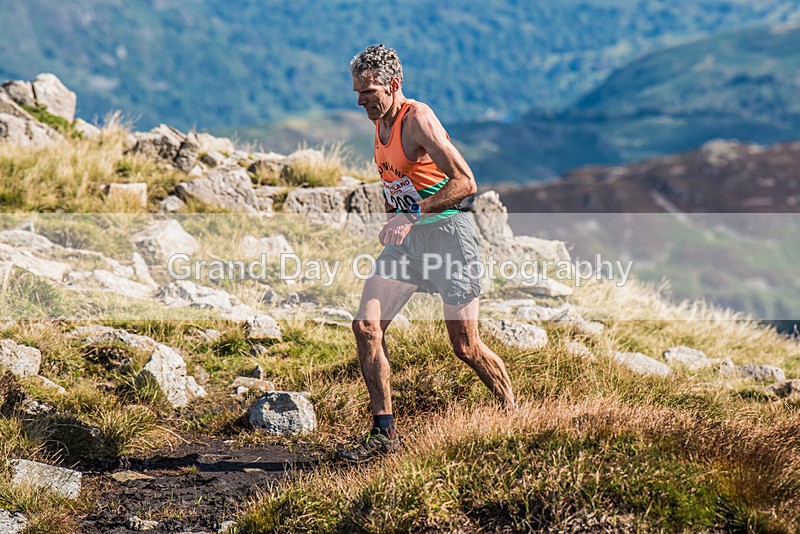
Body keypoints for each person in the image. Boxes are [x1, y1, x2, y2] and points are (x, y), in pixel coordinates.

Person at [338, 44, 516, 463]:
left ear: (394, 86)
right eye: (357, 92)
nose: (361, 100)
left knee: (466, 346)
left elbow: (465, 183)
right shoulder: (379, 123)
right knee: (366, 327)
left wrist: (411, 215)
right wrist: (393, 218)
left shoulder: (417, 119)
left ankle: (511, 409)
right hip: (409, 244)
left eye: (369, 92)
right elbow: (398, 182)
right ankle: (384, 435)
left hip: (450, 238)